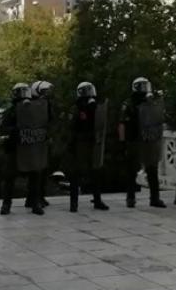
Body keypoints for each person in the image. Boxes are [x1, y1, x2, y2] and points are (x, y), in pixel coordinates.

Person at [0, 83, 49, 216]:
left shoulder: (35, 109)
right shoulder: (11, 111)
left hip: (31, 146)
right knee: (10, 177)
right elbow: (3, 128)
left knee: (35, 175)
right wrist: (15, 130)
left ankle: (35, 203)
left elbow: (43, 122)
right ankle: (6, 205)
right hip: (15, 147)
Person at [119, 77, 166, 209]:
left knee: (152, 169)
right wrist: (123, 142)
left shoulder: (150, 102)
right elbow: (122, 124)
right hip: (134, 140)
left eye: (146, 86)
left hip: (148, 139)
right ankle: (130, 198)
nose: (146, 89)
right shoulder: (129, 104)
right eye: (143, 86)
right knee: (132, 171)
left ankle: (155, 198)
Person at [68, 82, 109, 212]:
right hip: (80, 143)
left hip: (93, 141)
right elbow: (72, 126)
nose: (90, 94)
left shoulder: (94, 106)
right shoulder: (77, 107)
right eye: (87, 91)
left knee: (95, 171)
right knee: (76, 173)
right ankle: (73, 203)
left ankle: (97, 200)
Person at [27, 80, 55, 209]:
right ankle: (33, 198)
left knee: (43, 170)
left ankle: (40, 196)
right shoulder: (29, 104)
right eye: (43, 91)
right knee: (35, 172)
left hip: (43, 139)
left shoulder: (46, 104)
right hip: (33, 141)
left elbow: (51, 119)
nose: (46, 94)